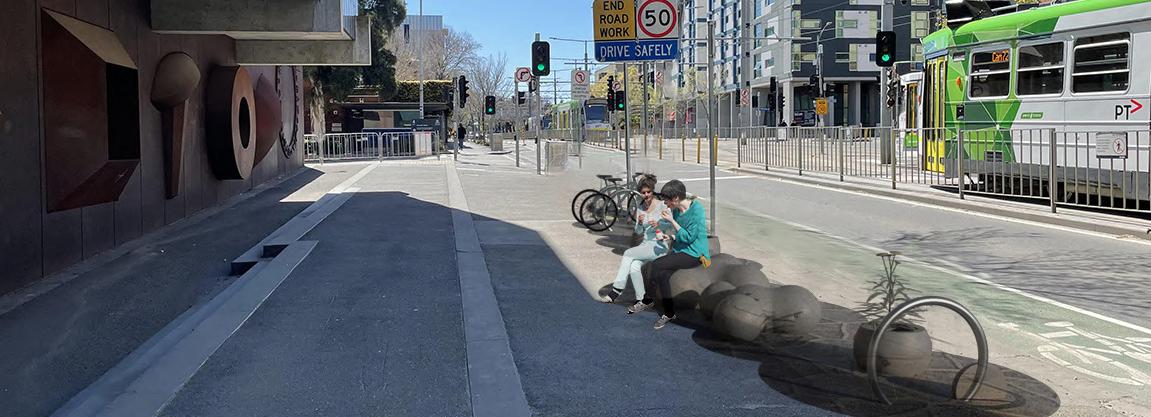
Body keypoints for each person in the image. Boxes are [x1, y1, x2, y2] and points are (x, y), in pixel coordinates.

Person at [643, 180, 710, 330]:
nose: (665, 203)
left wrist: (672, 221)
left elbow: (689, 237)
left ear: (676, 199)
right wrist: (662, 228)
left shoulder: (697, 210)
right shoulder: (677, 209)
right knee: (663, 275)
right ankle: (669, 313)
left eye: (667, 200)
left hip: (695, 253)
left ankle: (648, 299)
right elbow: (674, 229)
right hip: (681, 249)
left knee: (657, 264)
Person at [601, 174, 669, 314]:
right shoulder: (640, 207)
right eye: (643, 193)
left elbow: (670, 226)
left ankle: (616, 290)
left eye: (648, 192)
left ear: (652, 191)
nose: (646, 195)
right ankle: (642, 299)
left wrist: (658, 225)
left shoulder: (662, 205)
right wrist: (639, 222)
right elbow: (638, 231)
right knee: (634, 265)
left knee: (628, 253)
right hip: (645, 244)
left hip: (659, 245)